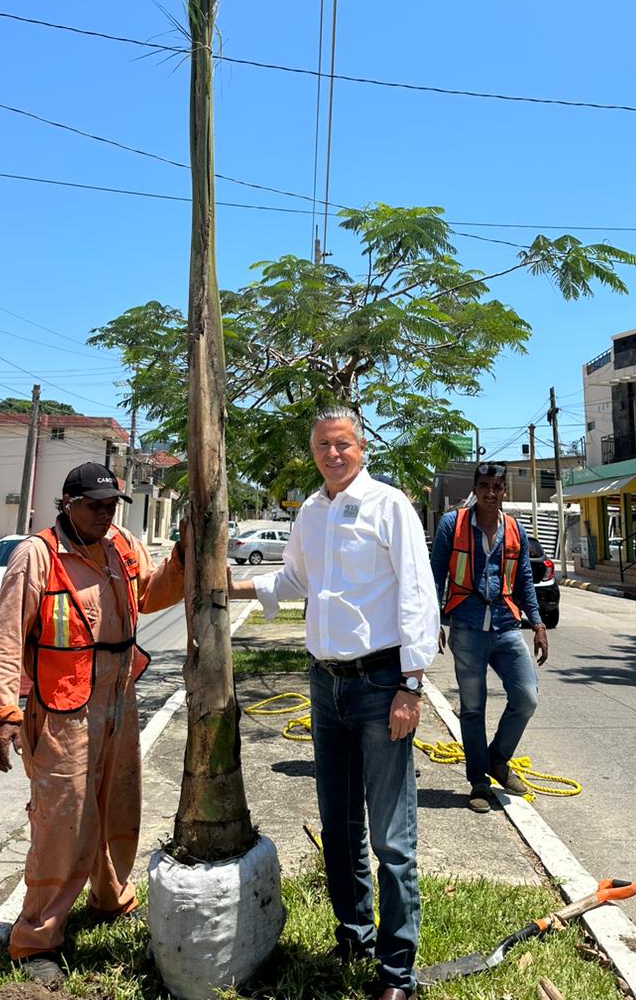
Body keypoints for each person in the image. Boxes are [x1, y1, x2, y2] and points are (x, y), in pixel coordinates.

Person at [230, 407, 440, 1000]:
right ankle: (354, 935)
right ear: (313, 450)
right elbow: (296, 579)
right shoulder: (310, 511)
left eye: (343, 443)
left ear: (362, 446)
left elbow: (419, 594)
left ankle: (397, 972)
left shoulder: (389, 505)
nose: (333, 453)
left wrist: (412, 683)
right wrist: (234, 584)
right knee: (339, 823)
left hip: (381, 685)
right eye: (323, 444)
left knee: (392, 838)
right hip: (326, 685)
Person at [0, 462, 186, 981]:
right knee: (62, 824)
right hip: (62, 709)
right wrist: (3, 712)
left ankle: (110, 899)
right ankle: (36, 940)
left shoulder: (121, 545)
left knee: (118, 807)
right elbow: (7, 635)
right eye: (94, 504)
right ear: (66, 504)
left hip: (119, 698)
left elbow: (151, 594)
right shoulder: (38, 555)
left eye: (110, 505)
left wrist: (183, 556)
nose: (104, 513)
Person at [429, 462, 548, 813]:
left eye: (497, 486)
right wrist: (432, 619)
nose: (491, 493)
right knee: (473, 708)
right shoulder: (453, 524)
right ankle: (479, 781)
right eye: (485, 485)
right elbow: (436, 575)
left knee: (526, 697)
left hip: (506, 625)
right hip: (466, 627)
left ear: (504, 491)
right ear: (475, 488)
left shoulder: (515, 529)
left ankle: (498, 759)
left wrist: (538, 624)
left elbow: (525, 578)